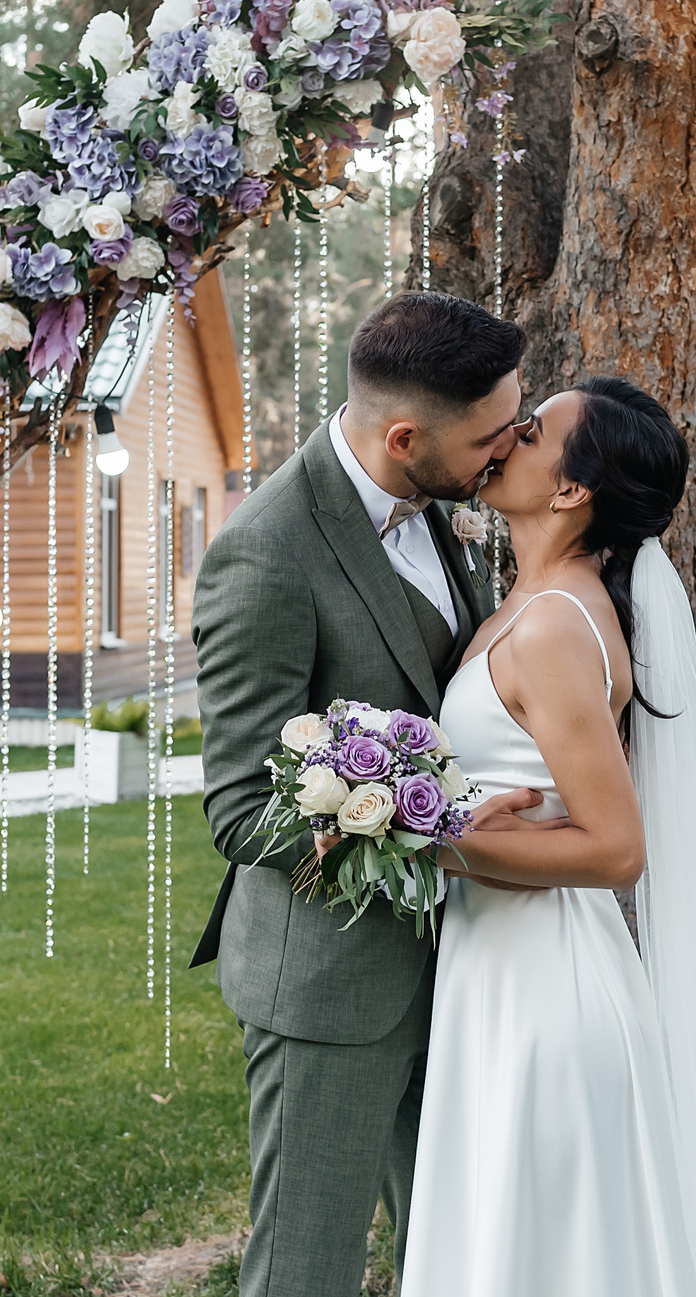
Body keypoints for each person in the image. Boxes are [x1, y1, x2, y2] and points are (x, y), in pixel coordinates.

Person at [398, 377, 696, 1297]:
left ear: (571, 491)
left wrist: (437, 842)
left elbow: (615, 848)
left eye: (529, 433)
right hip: (503, 972)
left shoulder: (557, 625)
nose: (504, 440)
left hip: (545, 996)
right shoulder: (527, 603)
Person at [190, 291, 530, 1297]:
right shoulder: (264, 555)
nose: (503, 452)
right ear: (402, 435)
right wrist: (423, 820)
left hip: (455, 963)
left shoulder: (441, 511)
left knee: (455, 1252)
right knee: (307, 1268)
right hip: (330, 980)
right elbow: (243, 812)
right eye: (487, 437)